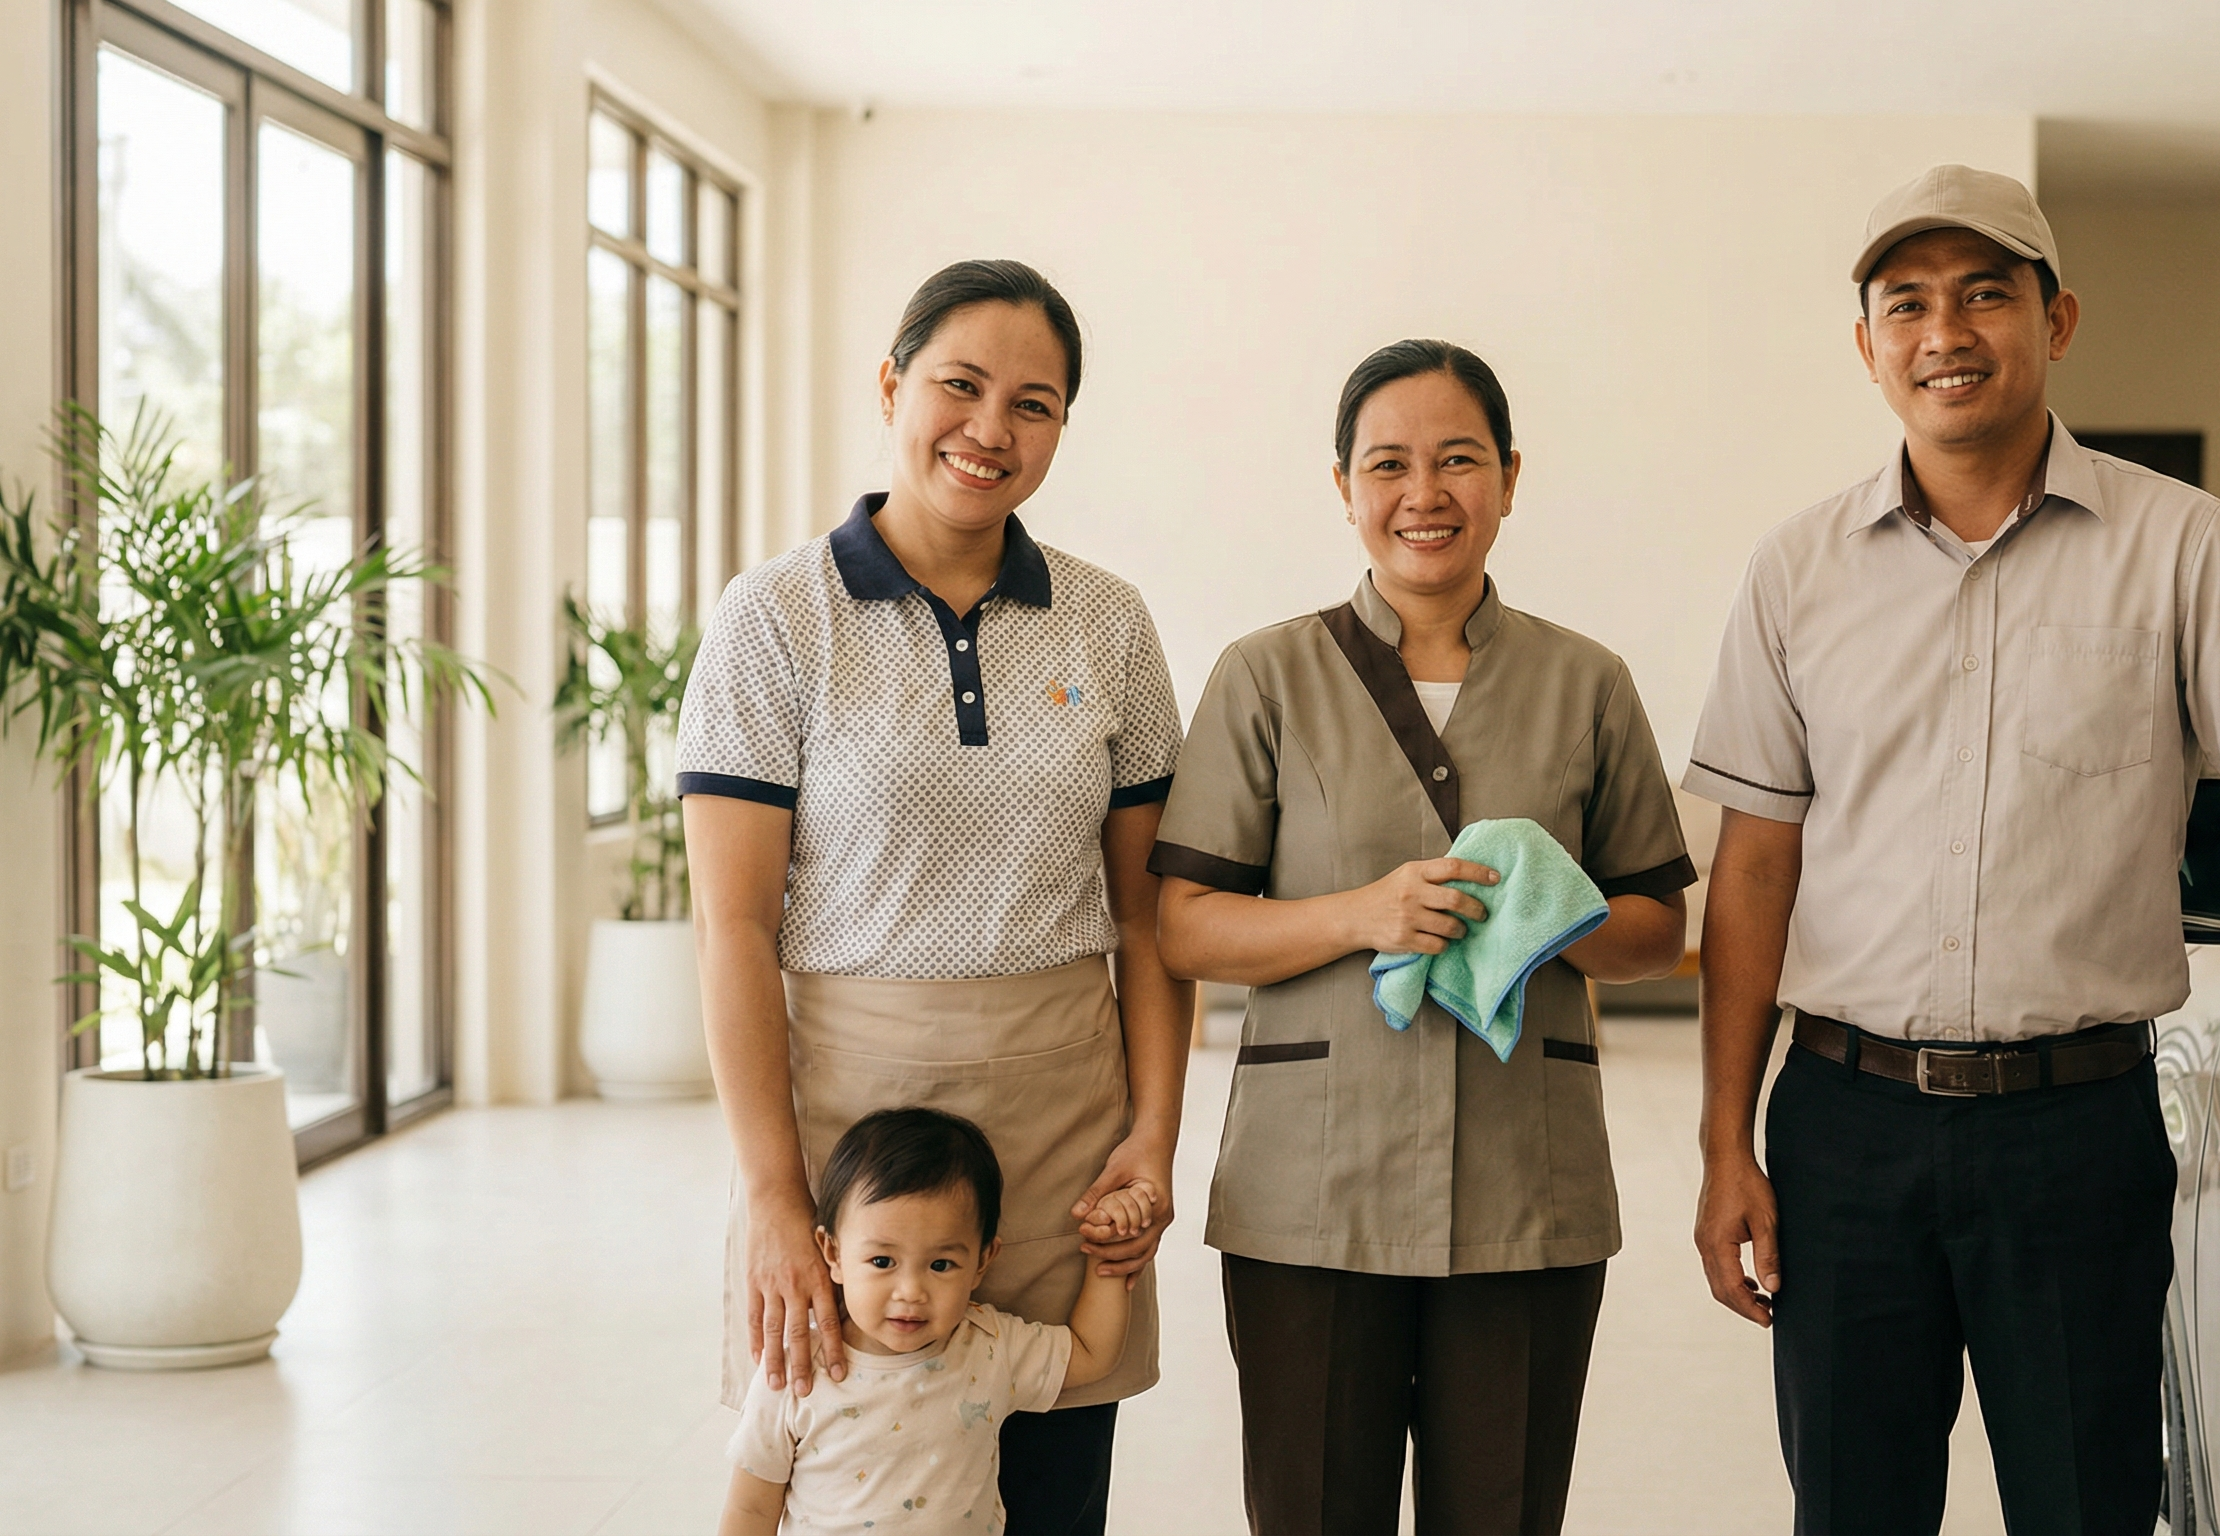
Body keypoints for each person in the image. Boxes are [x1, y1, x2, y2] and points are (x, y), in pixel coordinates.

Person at [1683, 164, 2220, 1534]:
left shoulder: (2181, 546)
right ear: (1868, 348)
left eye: (1987, 294)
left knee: (2087, 1502)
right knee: (1852, 1510)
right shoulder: (1796, 570)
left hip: (2075, 1133)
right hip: (1845, 1131)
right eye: (1908, 303)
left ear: (2058, 321)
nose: (1948, 331)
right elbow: (1756, 864)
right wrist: (1723, 1144)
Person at [678, 259, 1192, 1536]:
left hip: (1066, 1115)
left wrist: (1154, 1137)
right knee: (858, 1474)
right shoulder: (776, 618)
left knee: (1056, 1483)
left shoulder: (1109, 625)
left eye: (1035, 404)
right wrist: (774, 1197)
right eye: (961, 386)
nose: (991, 429)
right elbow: (732, 927)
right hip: (855, 1136)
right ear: (892, 382)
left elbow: (1147, 922)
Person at [1152, 339, 1698, 1536]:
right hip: (1312, 1192)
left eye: (1458, 459)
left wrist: (1550, 923)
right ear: (1342, 486)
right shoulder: (1265, 677)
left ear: (1508, 475)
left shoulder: (1585, 682)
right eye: (1387, 463)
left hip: (1524, 1189)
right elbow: (1185, 927)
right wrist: (1362, 915)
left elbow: (1659, 928)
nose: (1424, 493)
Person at [719, 1106, 1154, 1536]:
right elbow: (751, 1510)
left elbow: (1092, 1354)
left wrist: (1107, 1254)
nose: (911, 1291)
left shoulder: (988, 1346)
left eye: (941, 1264)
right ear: (832, 1253)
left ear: (983, 1261)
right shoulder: (795, 1373)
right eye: (882, 1260)